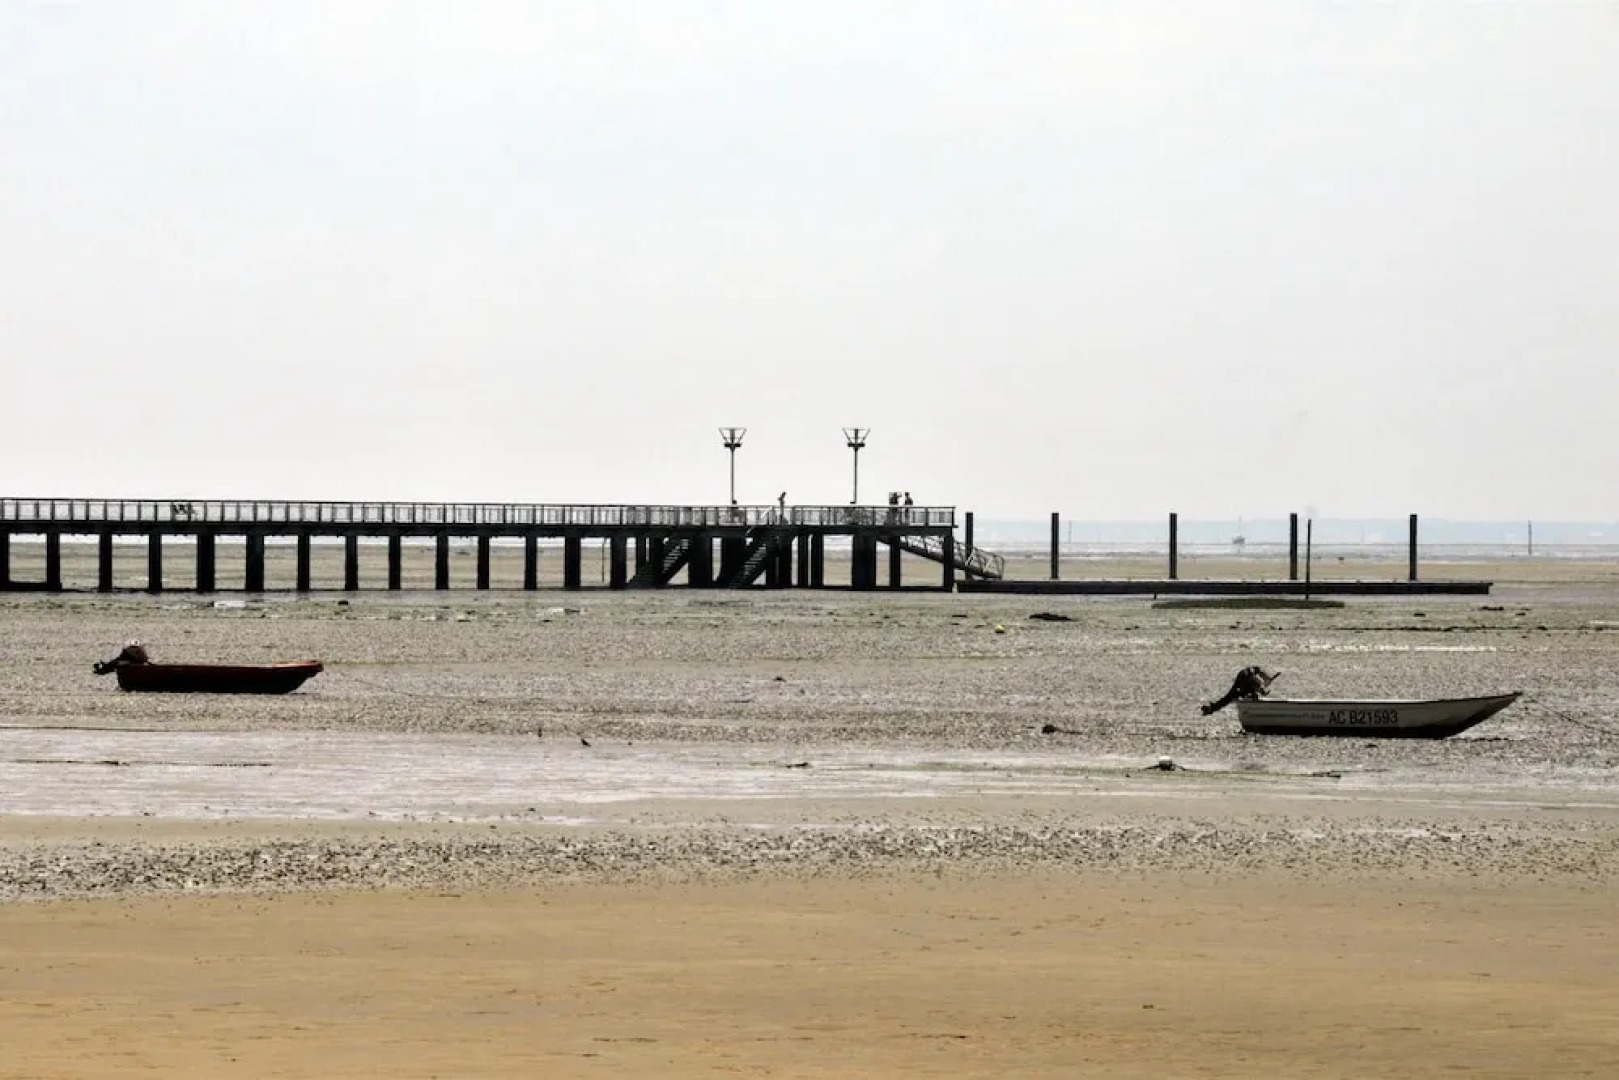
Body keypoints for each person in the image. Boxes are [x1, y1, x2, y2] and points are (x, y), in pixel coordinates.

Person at [1200, 666, 1278, 715]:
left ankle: (1211, 708)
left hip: (1244, 680)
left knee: (1230, 697)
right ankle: (1211, 708)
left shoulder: (1253, 672)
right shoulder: (1251, 676)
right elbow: (1255, 680)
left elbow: (1256, 675)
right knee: (1231, 696)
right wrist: (1262, 689)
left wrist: (1265, 682)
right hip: (1244, 680)